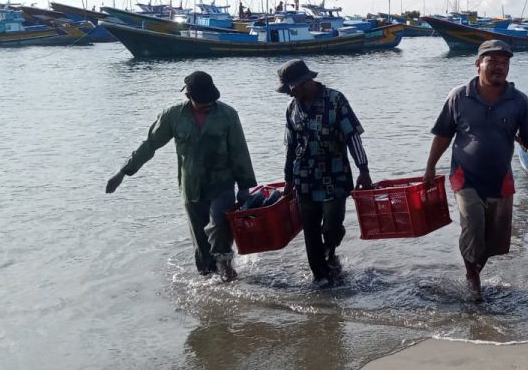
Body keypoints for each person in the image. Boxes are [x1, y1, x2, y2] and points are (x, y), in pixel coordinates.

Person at [423, 39, 528, 301]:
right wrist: (429, 169)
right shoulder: (459, 96)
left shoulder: (518, 101)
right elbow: (442, 136)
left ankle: (475, 267)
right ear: (478, 64)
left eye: (504, 62)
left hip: (501, 180)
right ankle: (473, 279)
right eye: (492, 61)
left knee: (494, 243)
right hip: (465, 176)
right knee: (472, 224)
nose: (499, 67)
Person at [106, 71, 256, 281]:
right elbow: (150, 145)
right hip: (191, 186)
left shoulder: (228, 115)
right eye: (203, 101)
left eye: (212, 99)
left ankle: (227, 270)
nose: (209, 104)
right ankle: (207, 280)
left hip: (221, 182)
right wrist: (123, 171)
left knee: (220, 226)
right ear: (188, 97)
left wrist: (245, 186)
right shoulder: (173, 116)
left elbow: (239, 150)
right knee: (200, 241)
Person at [277, 59, 374, 284]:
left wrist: (363, 169)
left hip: (335, 175)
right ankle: (320, 279)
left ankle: (330, 251)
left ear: (306, 82)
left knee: (332, 226)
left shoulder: (335, 100)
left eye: (292, 90)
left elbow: (353, 137)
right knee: (310, 231)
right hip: (304, 178)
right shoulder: (292, 108)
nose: (290, 95)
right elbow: (290, 146)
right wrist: (288, 180)